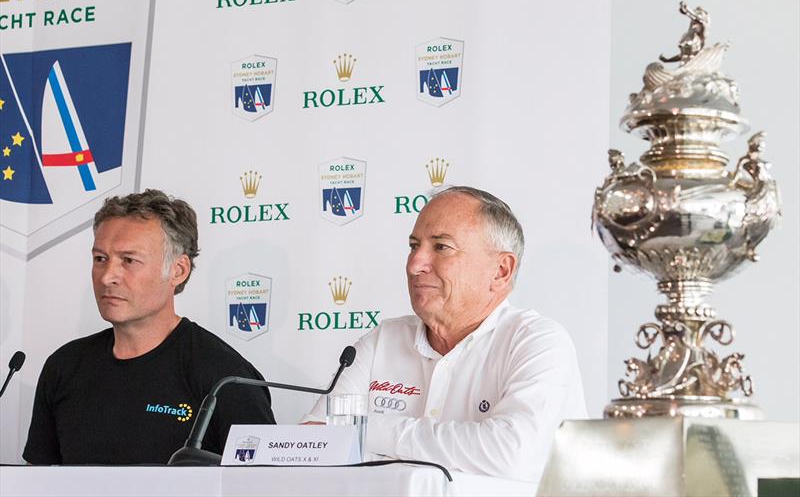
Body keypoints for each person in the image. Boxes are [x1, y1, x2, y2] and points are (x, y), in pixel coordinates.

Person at [303, 186, 587, 482]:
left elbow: (509, 453)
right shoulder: (382, 341)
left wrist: (363, 430)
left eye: (441, 247)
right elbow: (313, 444)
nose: (415, 265)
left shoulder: (537, 342)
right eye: (414, 246)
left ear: (501, 270)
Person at [23, 189, 275, 465]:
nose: (108, 277)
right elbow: (38, 479)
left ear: (178, 270)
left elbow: (263, 485)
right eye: (100, 259)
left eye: (129, 260)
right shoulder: (64, 365)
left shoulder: (225, 377)